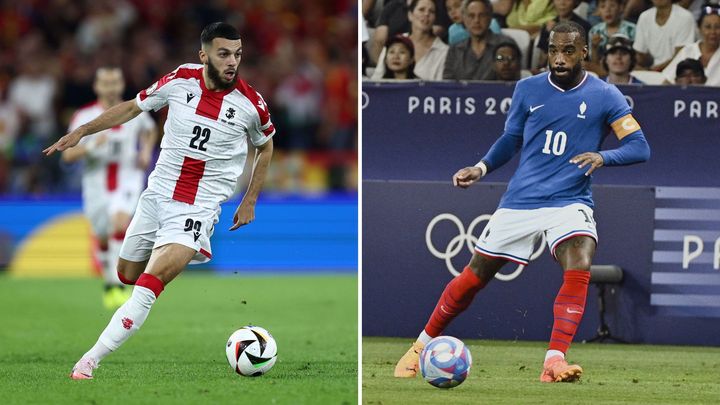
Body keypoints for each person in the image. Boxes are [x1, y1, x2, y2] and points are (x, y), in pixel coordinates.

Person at [393, 21, 650, 383]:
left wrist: (603, 157)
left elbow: (640, 147)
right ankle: (420, 346)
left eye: (568, 50)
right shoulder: (528, 89)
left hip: (570, 200)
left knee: (581, 257)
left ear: (585, 52)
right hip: (521, 201)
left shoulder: (606, 95)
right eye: (553, 50)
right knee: (473, 278)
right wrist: (481, 167)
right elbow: (511, 139)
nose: (559, 58)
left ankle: (554, 360)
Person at [43, 22, 275, 380]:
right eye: (224, 53)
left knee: (150, 283)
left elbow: (266, 145)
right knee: (126, 274)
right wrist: (83, 130)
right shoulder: (180, 79)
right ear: (204, 55)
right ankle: (173, 254)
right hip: (157, 197)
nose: (232, 62)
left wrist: (250, 199)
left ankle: (89, 360)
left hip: (199, 207)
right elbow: (133, 108)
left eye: (238, 54)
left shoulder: (250, 104)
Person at [61, 67, 157, 309]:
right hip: (96, 183)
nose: (111, 88)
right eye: (106, 83)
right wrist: (91, 147)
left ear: (121, 85)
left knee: (120, 222)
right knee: (102, 237)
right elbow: (68, 156)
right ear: (97, 87)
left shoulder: (132, 109)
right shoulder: (84, 117)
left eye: (115, 82)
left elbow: (150, 130)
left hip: (128, 177)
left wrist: (145, 151)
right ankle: (109, 283)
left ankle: (118, 284)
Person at [372, 0, 449, 80]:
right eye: (421, 9)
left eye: (431, 12)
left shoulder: (444, 52)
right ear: (410, 15)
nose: (426, 14)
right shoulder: (394, 42)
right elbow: (376, 80)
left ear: (435, 18)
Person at [443, 0, 516, 80]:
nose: (476, 21)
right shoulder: (455, 50)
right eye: (471, 16)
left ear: (490, 17)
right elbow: (447, 84)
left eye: (482, 15)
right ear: (464, 18)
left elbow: (510, 84)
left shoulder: (506, 45)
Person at [661, 6, 720, 86]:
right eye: (708, 27)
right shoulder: (687, 51)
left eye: (717, 27)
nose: (713, 32)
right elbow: (667, 82)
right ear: (699, 29)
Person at [633, 0, 696, 71]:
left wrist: (655, 70)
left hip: (678, 71)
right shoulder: (644, 17)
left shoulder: (685, 17)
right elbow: (640, 54)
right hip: (650, 71)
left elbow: (681, 56)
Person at [534, 0, 592, 72]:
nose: (562, 3)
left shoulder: (584, 26)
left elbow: (585, 59)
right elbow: (541, 62)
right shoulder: (548, 26)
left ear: (575, 2)